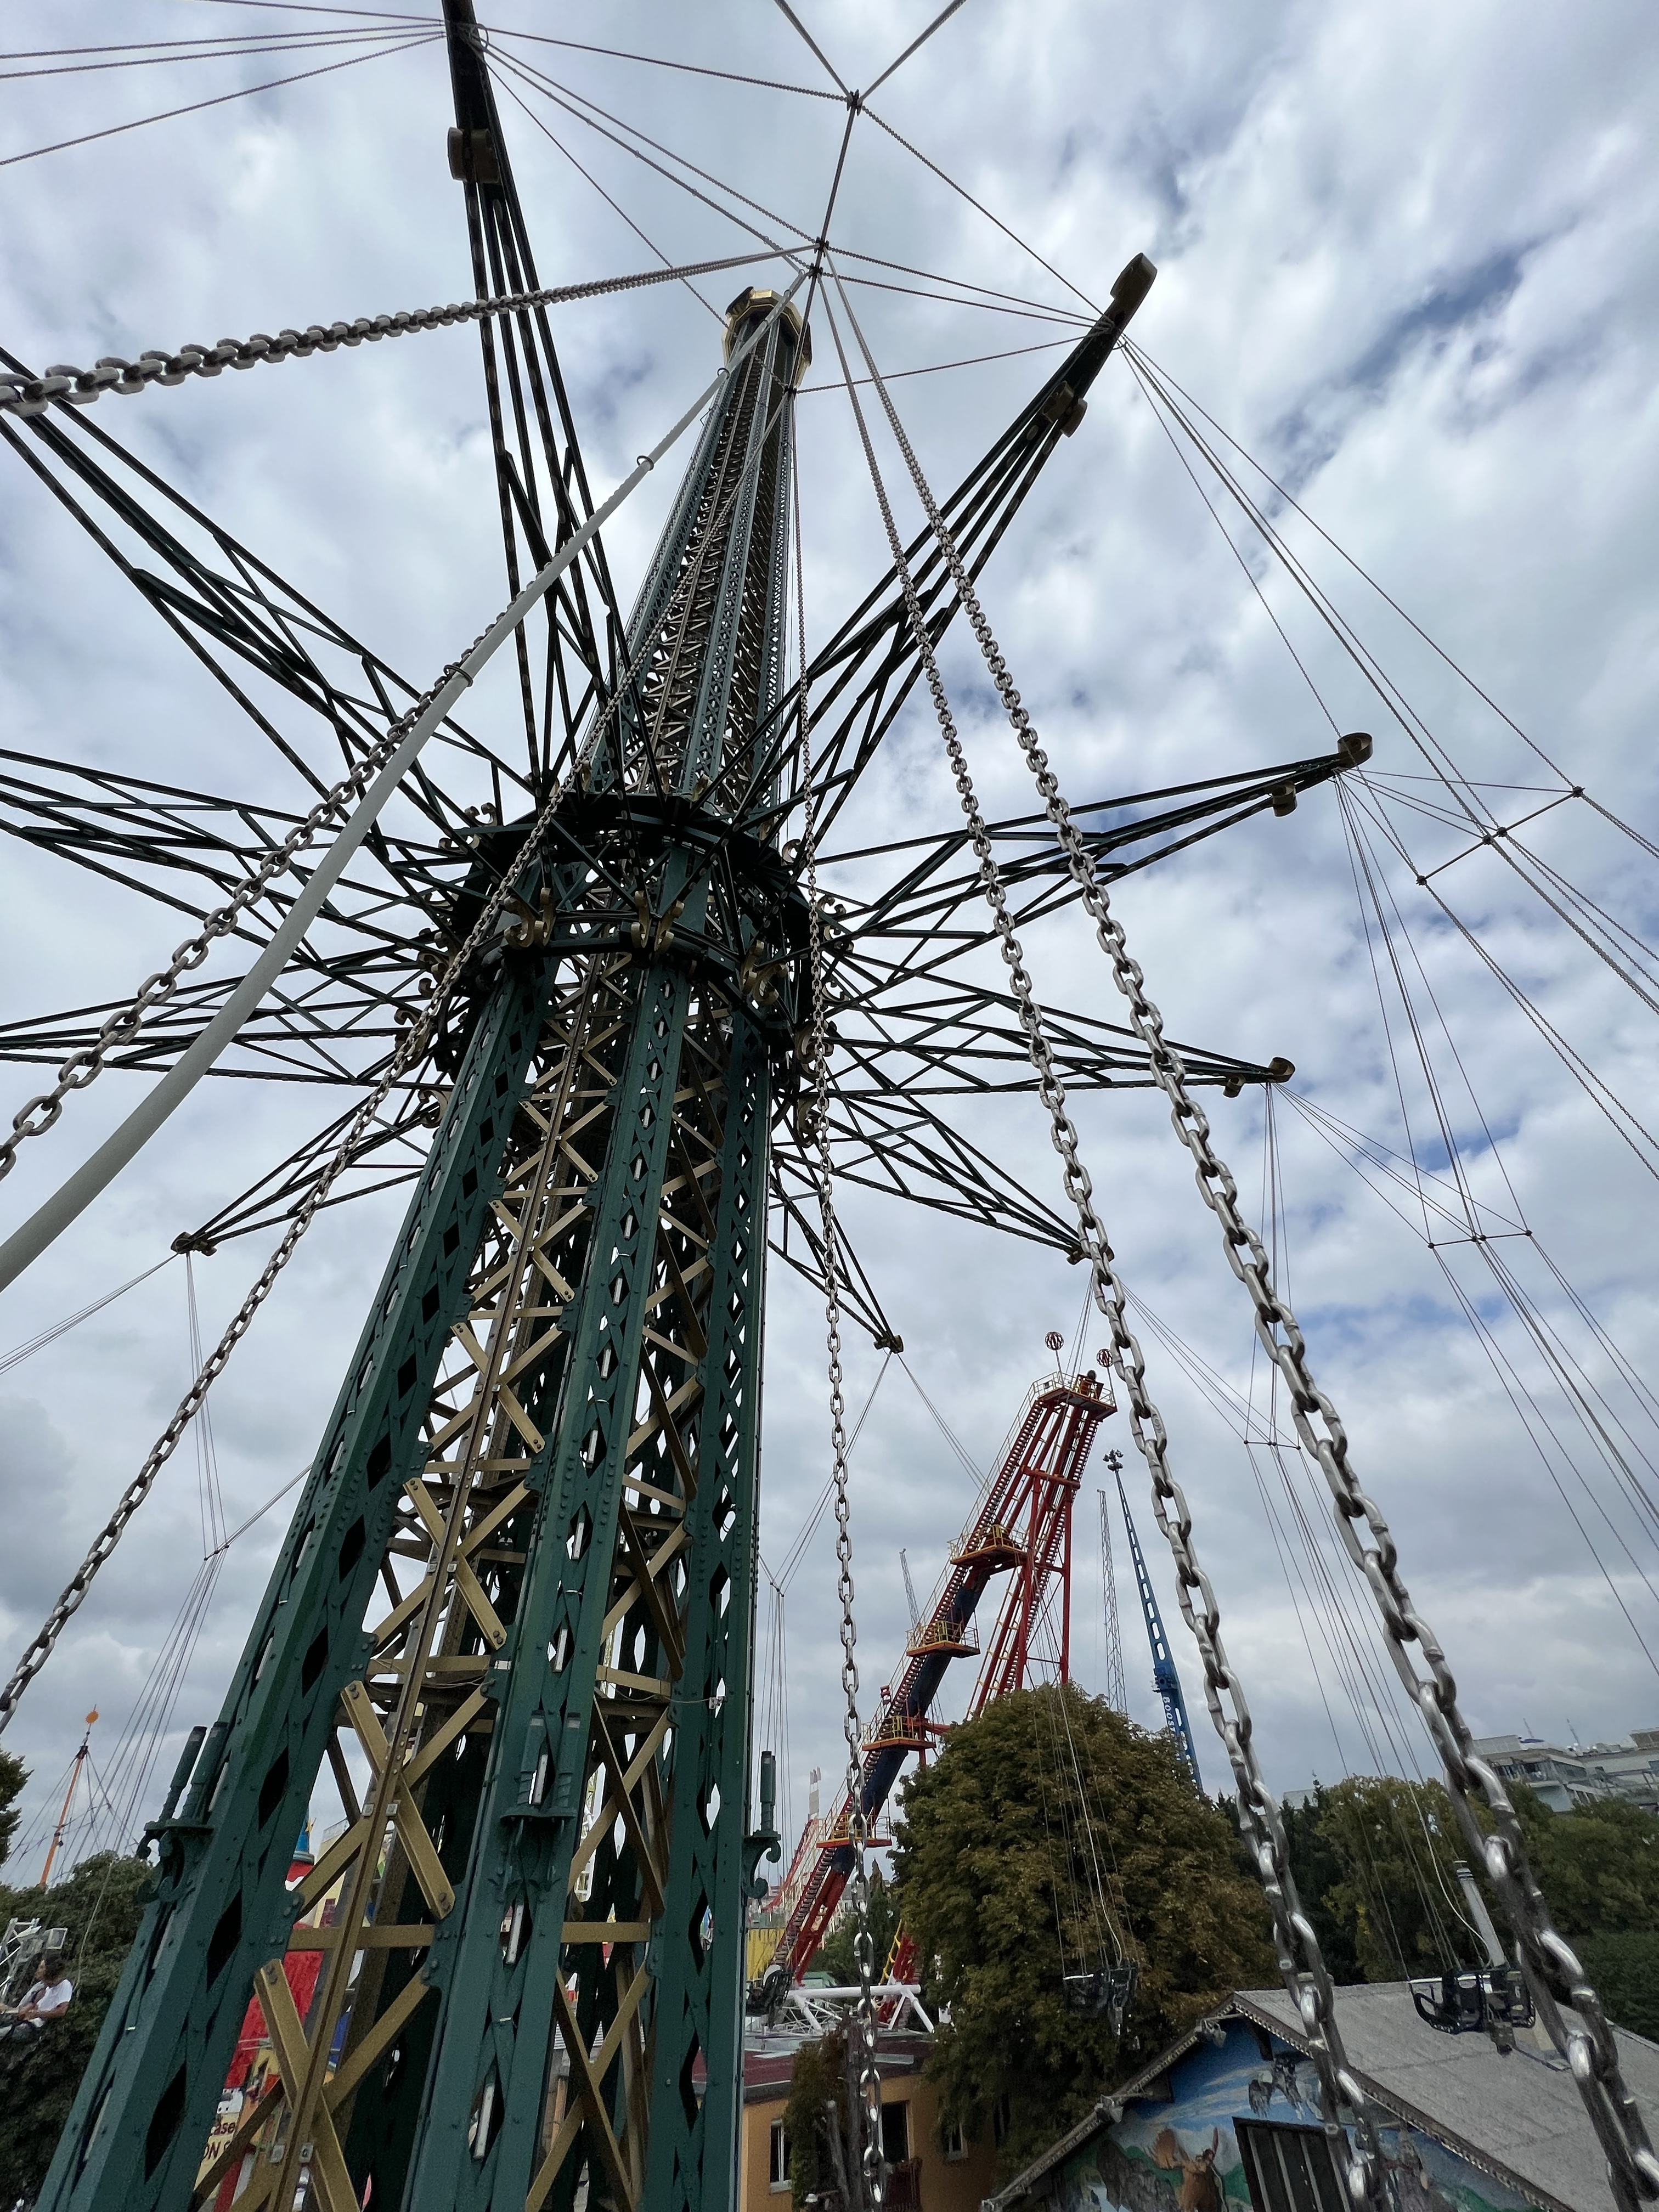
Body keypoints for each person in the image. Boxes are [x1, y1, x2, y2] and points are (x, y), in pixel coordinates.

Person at [0, 1951, 74, 2040]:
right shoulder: (42, 1987)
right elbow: (29, 2007)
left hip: (34, 2025)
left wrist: (37, 2014)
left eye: (42, 1967)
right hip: (24, 2020)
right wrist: (10, 2010)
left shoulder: (64, 1985)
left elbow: (62, 2011)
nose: (39, 1970)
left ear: (49, 1971)